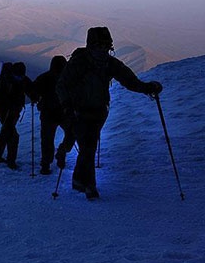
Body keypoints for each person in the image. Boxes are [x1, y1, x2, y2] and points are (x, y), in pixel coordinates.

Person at [56, 26, 163, 199]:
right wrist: (67, 105)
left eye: (106, 47)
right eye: (99, 46)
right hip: (79, 112)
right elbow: (61, 85)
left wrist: (147, 88)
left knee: (87, 147)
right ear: (90, 46)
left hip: (98, 112)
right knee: (88, 147)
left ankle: (78, 180)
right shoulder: (79, 63)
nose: (103, 50)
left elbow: (129, 80)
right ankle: (89, 186)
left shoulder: (108, 63)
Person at [32, 55, 76, 175]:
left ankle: (46, 164)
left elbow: (33, 91)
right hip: (64, 113)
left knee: (47, 139)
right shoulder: (68, 78)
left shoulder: (43, 77)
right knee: (72, 132)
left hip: (48, 114)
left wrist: (35, 99)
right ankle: (62, 150)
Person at [0, 62, 33, 170]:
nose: (20, 78)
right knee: (13, 135)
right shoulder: (5, 80)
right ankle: (11, 161)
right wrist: (7, 104)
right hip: (5, 111)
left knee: (5, 132)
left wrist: (34, 97)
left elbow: (31, 90)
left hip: (13, 111)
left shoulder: (22, 79)